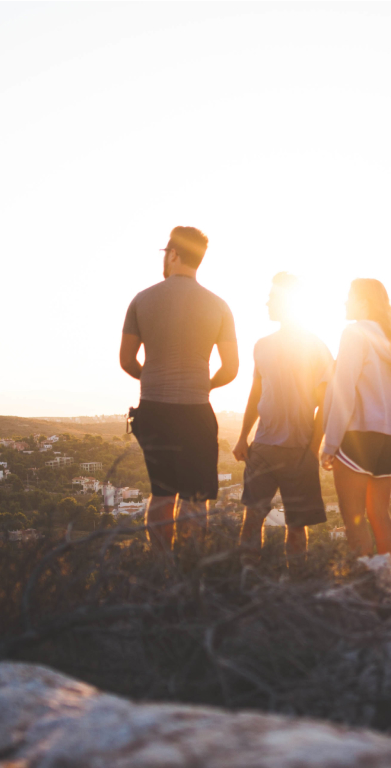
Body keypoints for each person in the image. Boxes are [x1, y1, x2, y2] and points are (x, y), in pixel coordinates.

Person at [119, 226, 239, 549]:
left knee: (161, 493)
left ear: (173, 254)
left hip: (154, 410)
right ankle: (191, 566)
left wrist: (153, 377)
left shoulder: (141, 300)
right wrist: (204, 385)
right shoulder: (219, 306)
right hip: (195, 410)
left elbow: (126, 360)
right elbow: (232, 368)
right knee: (195, 497)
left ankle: (160, 567)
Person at [232, 273, 334, 557]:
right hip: (262, 447)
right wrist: (242, 437)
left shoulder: (316, 346)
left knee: (297, 526)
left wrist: (313, 448)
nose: (267, 303)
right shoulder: (261, 345)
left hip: (299, 450)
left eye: (272, 297)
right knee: (252, 520)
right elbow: (255, 395)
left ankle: (297, 589)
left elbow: (327, 403)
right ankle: (250, 586)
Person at [321, 278, 391, 567]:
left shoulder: (354, 332)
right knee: (380, 515)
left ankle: (363, 587)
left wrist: (330, 441)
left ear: (364, 302)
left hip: (358, 436)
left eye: (349, 297)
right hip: (389, 439)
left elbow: (343, 388)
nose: (345, 302)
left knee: (354, 518)